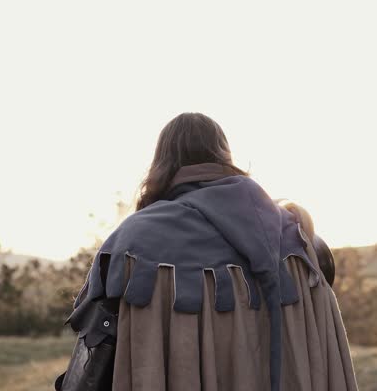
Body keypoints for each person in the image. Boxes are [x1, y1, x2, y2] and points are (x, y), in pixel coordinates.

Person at [55, 112, 358, 391]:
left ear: (162, 163)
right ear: (225, 157)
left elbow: (90, 367)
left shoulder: (133, 242)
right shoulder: (298, 240)